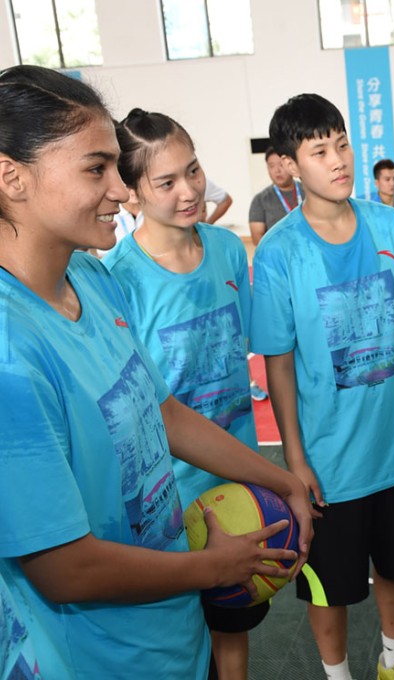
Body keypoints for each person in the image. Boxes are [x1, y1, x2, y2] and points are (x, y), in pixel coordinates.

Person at [0, 64, 312, 679]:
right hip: (94, 660)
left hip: (171, 638)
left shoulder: (89, 277)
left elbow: (161, 411)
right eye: (97, 168)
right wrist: (214, 568)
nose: (122, 190)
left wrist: (281, 480)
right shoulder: (11, 352)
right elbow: (65, 569)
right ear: (11, 176)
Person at [253, 92, 394, 680]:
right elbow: (278, 364)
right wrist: (295, 459)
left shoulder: (388, 225)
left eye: (342, 144)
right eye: (319, 151)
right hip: (330, 464)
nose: (338, 160)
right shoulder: (280, 253)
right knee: (328, 590)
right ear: (287, 164)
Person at [102, 108, 270, 680]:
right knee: (178, 649)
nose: (189, 190)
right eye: (166, 181)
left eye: (193, 170)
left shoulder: (227, 253)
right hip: (163, 514)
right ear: (130, 193)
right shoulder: (117, 280)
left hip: (236, 492)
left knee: (233, 638)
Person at [249, 146, 303, 247]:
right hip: (279, 256)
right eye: (271, 166)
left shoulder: (308, 191)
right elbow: (257, 237)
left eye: (281, 165)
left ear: (290, 165)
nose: (277, 170)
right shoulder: (260, 200)